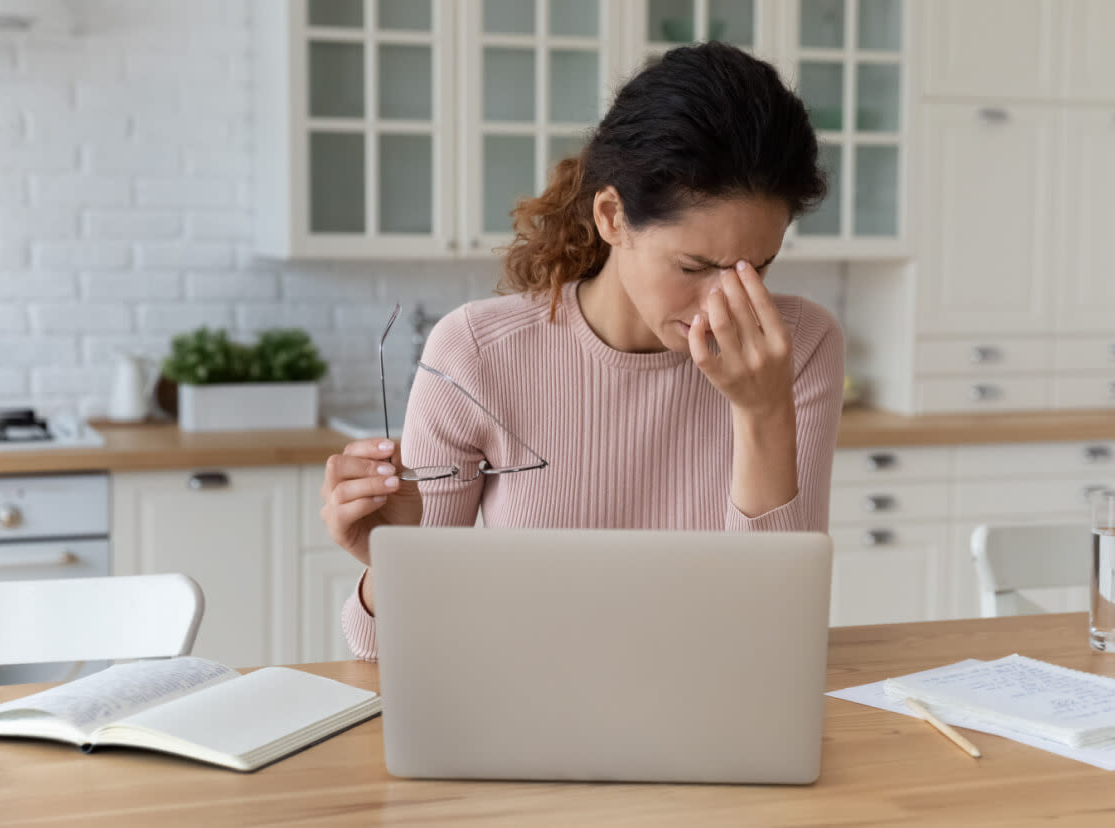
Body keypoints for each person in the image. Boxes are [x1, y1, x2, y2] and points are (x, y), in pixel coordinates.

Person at [322, 42, 845, 660]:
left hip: (715, 725)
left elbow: (776, 636)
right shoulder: (476, 354)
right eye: (692, 266)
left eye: (758, 267)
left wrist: (762, 413)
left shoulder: (799, 347)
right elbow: (388, 658)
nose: (724, 304)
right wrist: (393, 567)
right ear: (612, 216)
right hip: (523, 723)